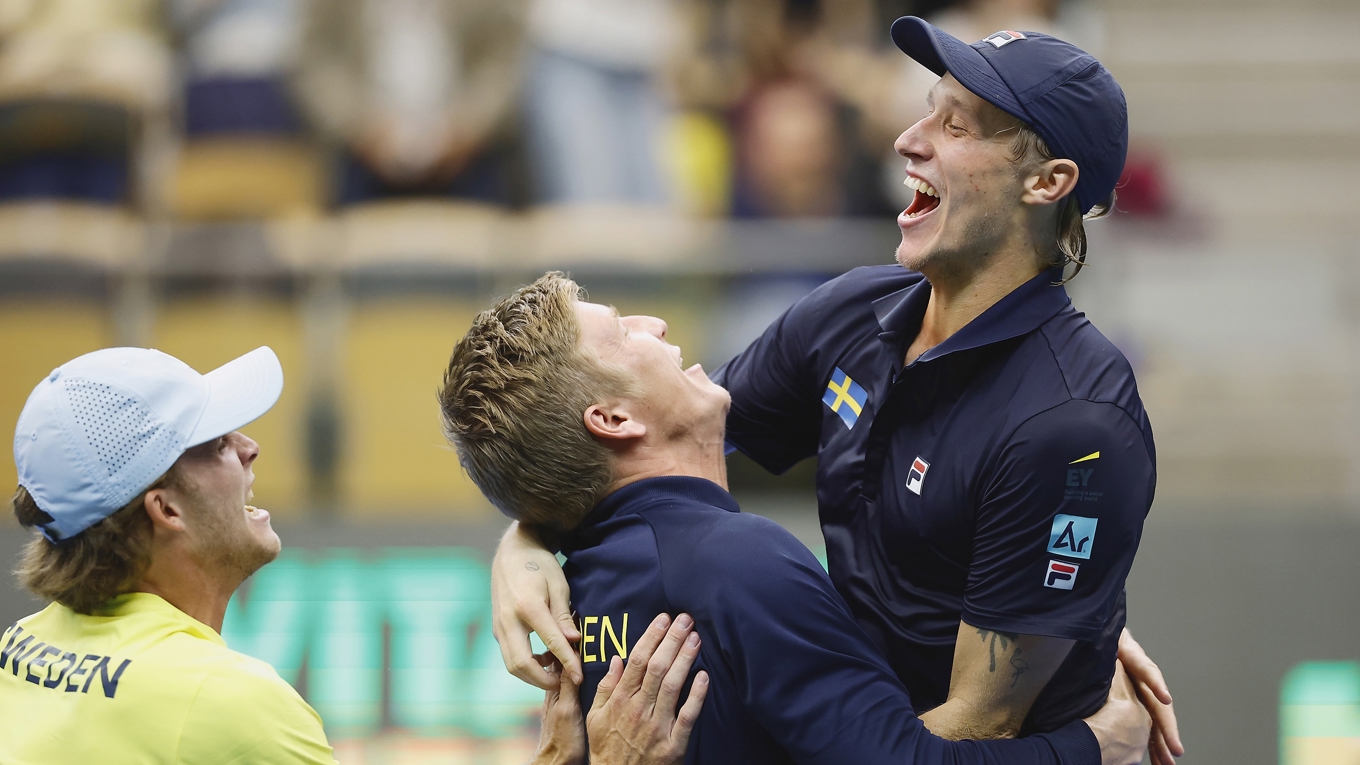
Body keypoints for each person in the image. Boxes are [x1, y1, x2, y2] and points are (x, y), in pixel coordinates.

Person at [491, 18, 1185, 765]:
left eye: (956, 126)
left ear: (1047, 183)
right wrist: (523, 542)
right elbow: (647, 442)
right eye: (927, 107)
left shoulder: (1073, 425)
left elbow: (975, 730)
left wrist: (1087, 731)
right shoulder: (850, 313)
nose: (908, 139)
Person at [440, 272, 1152, 764]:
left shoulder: (591, 577)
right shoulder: (739, 565)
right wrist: (1098, 742)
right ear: (613, 417)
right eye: (624, 334)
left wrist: (522, 537)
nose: (654, 324)